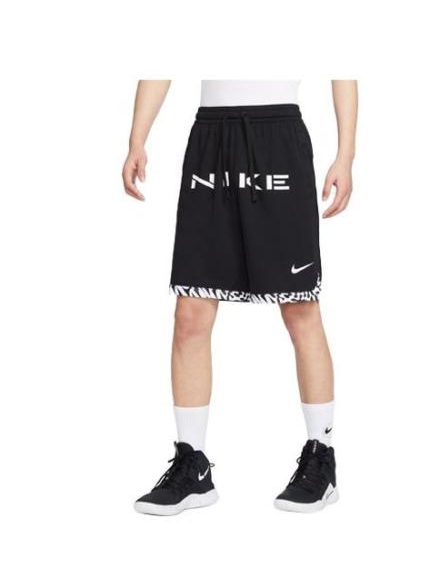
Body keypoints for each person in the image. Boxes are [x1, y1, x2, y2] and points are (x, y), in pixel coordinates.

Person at [122, 80, 358, 515]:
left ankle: (321, 456)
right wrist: (137, 137)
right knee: (190, 312)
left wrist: (346, 153)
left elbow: (344, 68)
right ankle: (192, 466)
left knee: (300, 307)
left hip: (278, 137)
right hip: (211, 138)